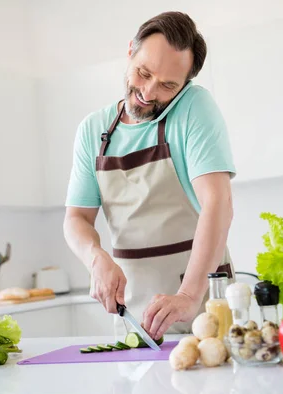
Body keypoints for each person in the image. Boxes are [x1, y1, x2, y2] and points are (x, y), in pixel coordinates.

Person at [63, 11, 236, 340]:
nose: (148, 92)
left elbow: (219, 204)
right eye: (143, 73)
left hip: (202, 308)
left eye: (168, 85)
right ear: (130, 51)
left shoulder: (193, 108)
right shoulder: (92, 130)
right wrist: (95, 258)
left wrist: (187, 296)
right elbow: (76, 219)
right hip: (133, 314)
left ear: (184, 85)